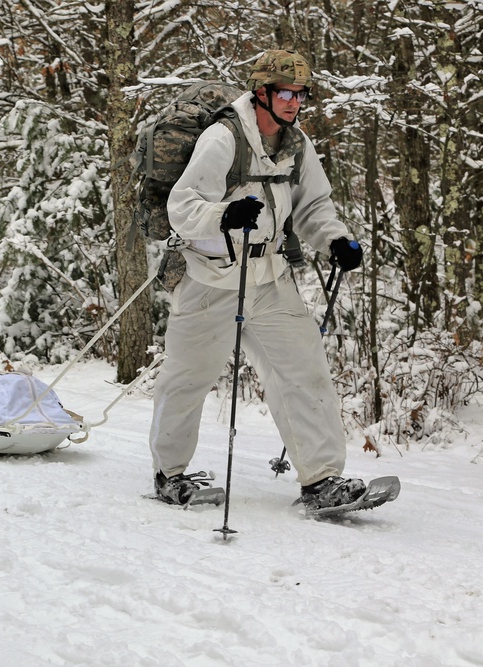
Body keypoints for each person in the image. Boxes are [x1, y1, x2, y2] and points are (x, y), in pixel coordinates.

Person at [149, 50, 367, 511]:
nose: (294, 102)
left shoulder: (296, 144)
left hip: (269, 275)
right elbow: (182, 206)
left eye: (301, 94)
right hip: (211, 277)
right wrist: (224, 214)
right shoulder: (223, 138)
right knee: (188, 377)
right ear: (262, 92)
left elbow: (314, 207)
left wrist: (335, 241)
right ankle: (170, 475)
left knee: (303, 370)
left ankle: (322, 482)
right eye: (286, 93)